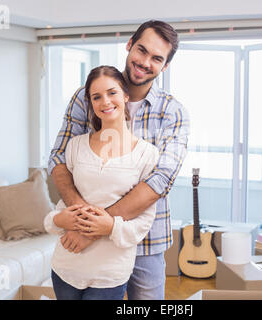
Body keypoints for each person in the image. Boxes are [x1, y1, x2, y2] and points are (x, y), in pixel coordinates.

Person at [48, 20, 190, 300]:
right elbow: (59, 158)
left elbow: (160, 181)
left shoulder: (173, 112)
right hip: (85, 245)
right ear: (129, 45)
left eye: (157, 58)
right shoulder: (86, 97)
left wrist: (100, 227)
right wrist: (83, 220)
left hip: (146, 242)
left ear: (165, 66)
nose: (145, 62)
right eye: (141, 50)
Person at [44, 65, 159, 300]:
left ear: (126, 95)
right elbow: (61, 208)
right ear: (90, 104)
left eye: (112, 93)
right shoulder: (75, 146)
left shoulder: (147, 154)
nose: (105, 101)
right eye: (96, 97)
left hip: (110, 274)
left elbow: (143, 223)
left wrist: (110, 227)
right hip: (66, 266)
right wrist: (57, 219)